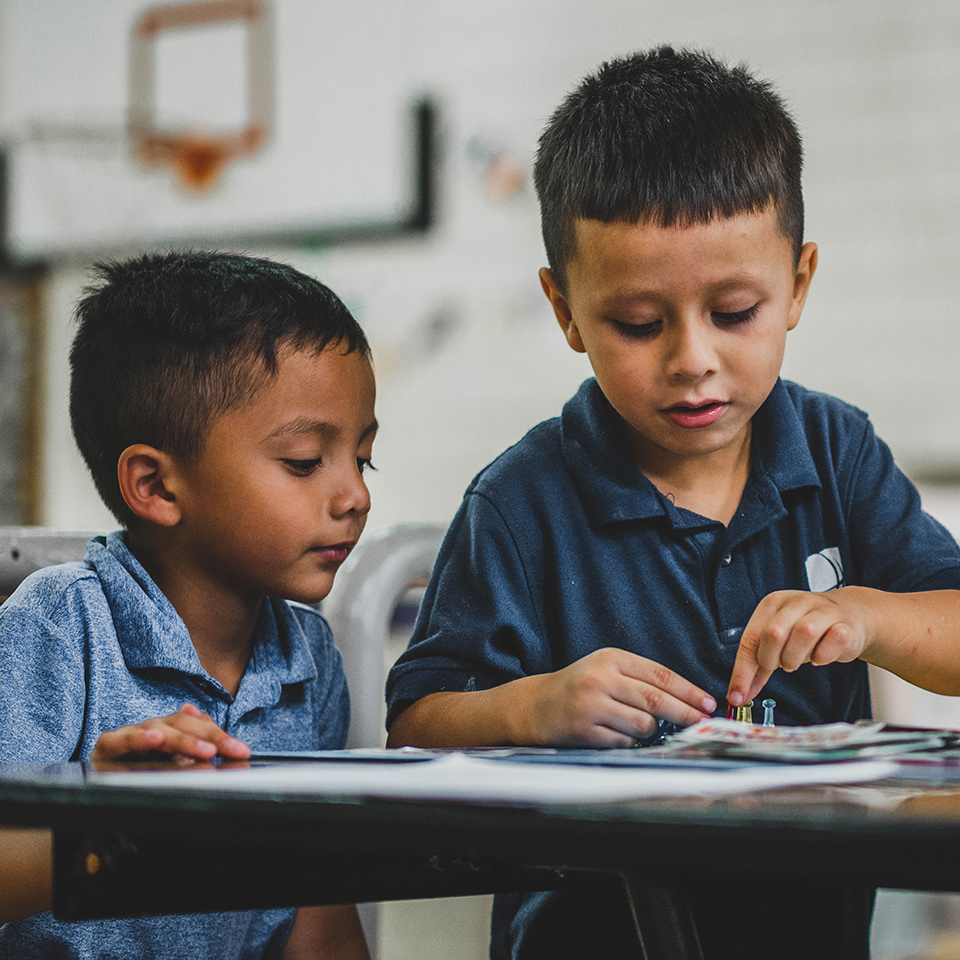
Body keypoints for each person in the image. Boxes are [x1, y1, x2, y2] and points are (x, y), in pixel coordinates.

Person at [384, 46, 960, 959]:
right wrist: (534, 707)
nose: (692, 358)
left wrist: (867, 617)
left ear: (798, 285)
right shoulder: (521, 500)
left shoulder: (835, 451)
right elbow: (416, 726)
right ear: (566, 308)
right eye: (639, 324)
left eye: (734, 312)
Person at [0, 251, 377, 959]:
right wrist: (103, 820)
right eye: (303, 461)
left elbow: (317, 904)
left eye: (363, 457)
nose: (354, 495)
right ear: (157, 486)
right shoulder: (60, 627)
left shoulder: (309, 660)